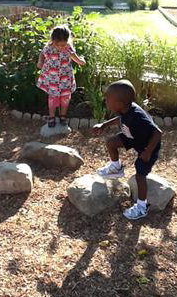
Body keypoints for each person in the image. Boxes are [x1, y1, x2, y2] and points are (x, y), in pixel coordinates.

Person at [91, 79, 162, 220]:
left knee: (140, 175)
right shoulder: (126, 109)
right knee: (111, 142)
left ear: (119, 104)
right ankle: (116, 167)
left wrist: (148, 152)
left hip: (148, 147)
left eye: (107, 100)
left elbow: (157, 133)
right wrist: (104, 125)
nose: (105, 102)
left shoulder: (138, 116)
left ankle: (142, 206)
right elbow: (120, 119)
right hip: (133, 137)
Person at [37, 25, 86, 127]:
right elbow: (42, 54)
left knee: (65, 97)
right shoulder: (49, 47)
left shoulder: (68, 48)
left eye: (63, 45)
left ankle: (63, 116)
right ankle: (51, 117)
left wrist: (80, 61)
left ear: (67, 41)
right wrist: (40, 62)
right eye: (58, 45)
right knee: (52, 98)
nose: (60, 47)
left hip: (65, 78)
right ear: (53, 40)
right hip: (52, 79)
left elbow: (74, 56)